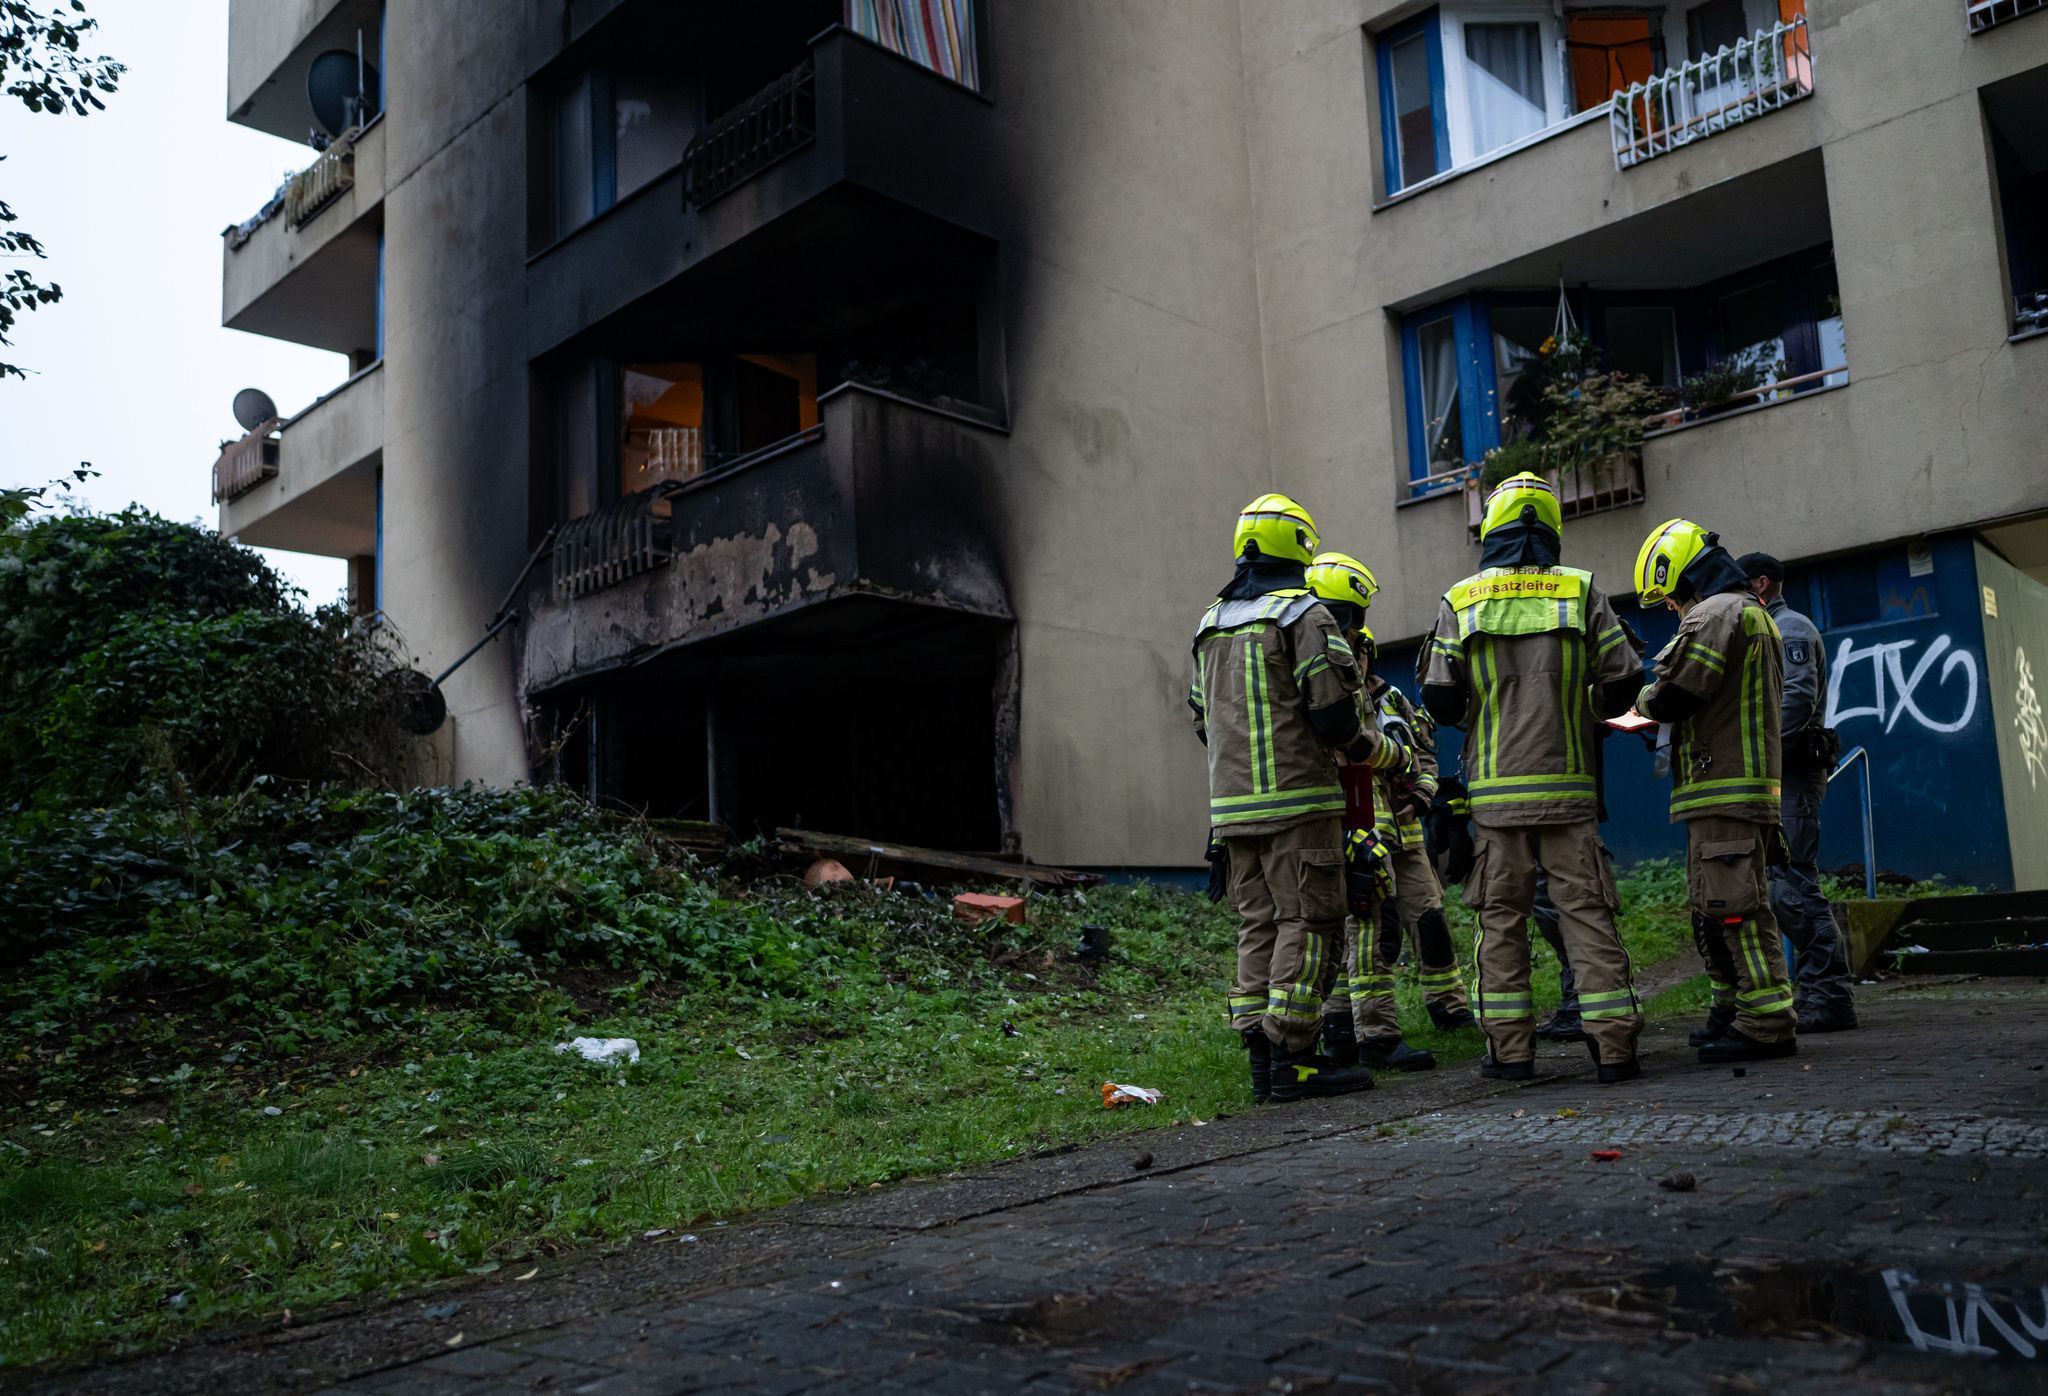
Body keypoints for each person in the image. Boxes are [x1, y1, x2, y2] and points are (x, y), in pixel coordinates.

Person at [1419, 473, 1647, 1084]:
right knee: (1587, 916)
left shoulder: (1462, 600)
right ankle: (1615, 1050)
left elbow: (1439, 700)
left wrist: (1483, 711)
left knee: (1501, 925)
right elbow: (1625, 683)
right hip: (1569, 790)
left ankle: (1511, 1054)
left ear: (1491, 528)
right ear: (1552, 527)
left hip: (1495, 800)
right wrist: (1581, 704)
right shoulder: (1583, 591)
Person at [1190, 495, 1412, 1104]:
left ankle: (1263, 1063)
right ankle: (1296, 1057)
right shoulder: (1305, 616)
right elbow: (1336, 715)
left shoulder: (1210, 624)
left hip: (1232, 810)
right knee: (1308, 922)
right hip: (1299, 802)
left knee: (1256, 924)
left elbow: (1201, 719)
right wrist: (1371, 748)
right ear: (1300, 546)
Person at [1632, 520, 1798, 1062]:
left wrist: (1635, 708)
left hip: (1724, 788)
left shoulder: (1716, 613)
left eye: (1668, 600)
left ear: (1681, 577)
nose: (1672, 611)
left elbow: (1677, 693)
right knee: (1718, 907)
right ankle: (1733, 1007)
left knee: (1736, 910)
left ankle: (1764, 1021)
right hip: (1728, 789)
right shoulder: (1750, 613)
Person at [1303, 552, 1468, 1073]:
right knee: (1372, 929)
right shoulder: (1327, 690)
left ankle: (1449, 1005)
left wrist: (1420, 792)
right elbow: (1354, 750)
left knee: (1430, 920)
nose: (1361, 658)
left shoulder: (1391, 698)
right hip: (1354, 825)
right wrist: (1389, 759)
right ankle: (1355, 1030)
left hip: (1405, 829)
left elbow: (1422, 753)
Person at [1737, 552, 1858, 1034]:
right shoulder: (1770, 628)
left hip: (1792, 775)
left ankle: (1829, 998)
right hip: (1779, 776)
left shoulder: (1791, 629)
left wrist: (1757, 756)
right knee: (1784, 887)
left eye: (1743, 586)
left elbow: (1797, 699)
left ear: (1762, 584)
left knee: (1794, 887)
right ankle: (1822, 996)